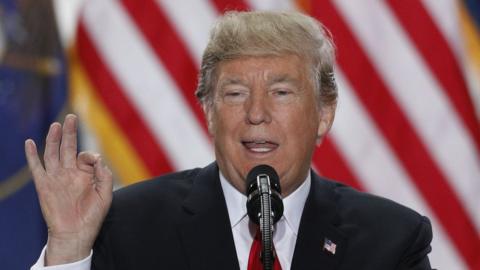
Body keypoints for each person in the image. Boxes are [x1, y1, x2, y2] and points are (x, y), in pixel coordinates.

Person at [27, 11, 434, 270]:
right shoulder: (129, 227)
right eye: (235, 93)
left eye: (281, 92)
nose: (256, 113)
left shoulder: (390, 242)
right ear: (208, 111)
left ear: (324, 113)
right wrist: (68, 249)